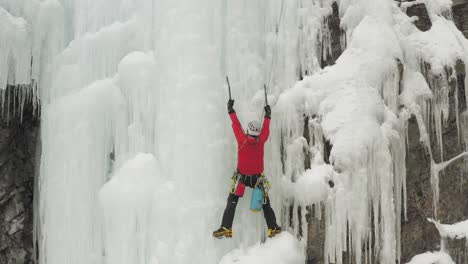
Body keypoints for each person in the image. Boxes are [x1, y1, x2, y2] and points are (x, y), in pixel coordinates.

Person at [213, 99, 281, 239]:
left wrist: (230, 110)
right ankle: (272, 227)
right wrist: (268, 115)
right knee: (265, 204)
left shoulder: (241, 139)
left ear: (248, 131)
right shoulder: (261, 140)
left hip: (242, 178)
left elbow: (236, 125)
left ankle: (226, 227)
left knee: (232, 201)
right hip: (257, 179)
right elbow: (266, 130)